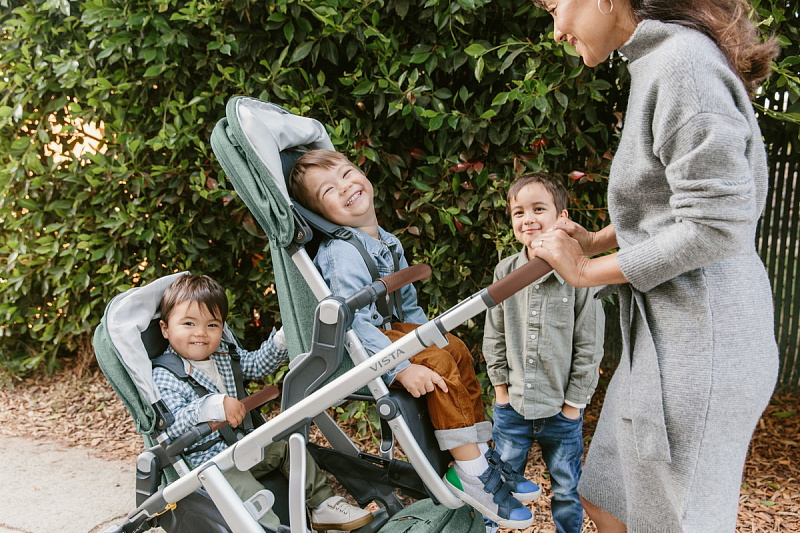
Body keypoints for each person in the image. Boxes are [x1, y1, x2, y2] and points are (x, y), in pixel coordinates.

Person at [527, 0, 781, 531]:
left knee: (673, 522)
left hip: (704, 342)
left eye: (555, 7)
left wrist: (585, 272)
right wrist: (596, 240)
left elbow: (716, 223)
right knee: (606, 499)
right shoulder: (657, 60)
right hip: (663, 340)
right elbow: (671, 203)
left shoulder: (682, 62)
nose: (556, 31)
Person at [288, 149, 537, 530]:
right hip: (366, 343)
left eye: (346, 174)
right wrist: (400, 367)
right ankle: (470, 474)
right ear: (320, 214)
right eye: (328, 190)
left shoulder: (386, 241)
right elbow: (353, 324)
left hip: (391, 330)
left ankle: (481, 459)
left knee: (453, 349)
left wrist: (431, 339)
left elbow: (407, 308)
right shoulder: (341, 254)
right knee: (438, 362)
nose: (345, 187)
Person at [153, 274, 374, 532]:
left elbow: (256, 365)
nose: (201, 332)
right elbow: (174, 426)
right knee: (252, 494)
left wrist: (282, 339)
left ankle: (323, 505)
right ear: (165, 329)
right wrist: (212, 406)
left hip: (239, 446)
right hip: (210, 466)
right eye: (189, 323)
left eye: (212, 325)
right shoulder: (165, 376)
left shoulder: (222, 355)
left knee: (287, 445)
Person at [483, 173, 605, 533]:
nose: (528, 219)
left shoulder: (581, 274)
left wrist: (573, 405)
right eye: (518, 212)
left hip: (561, 409)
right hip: (513, 407)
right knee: (498, 486)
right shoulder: (505, 271)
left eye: (539, 209)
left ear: (561, 217)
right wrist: (501, 393)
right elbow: (495, 334)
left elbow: (589, 344)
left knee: (567, 489)